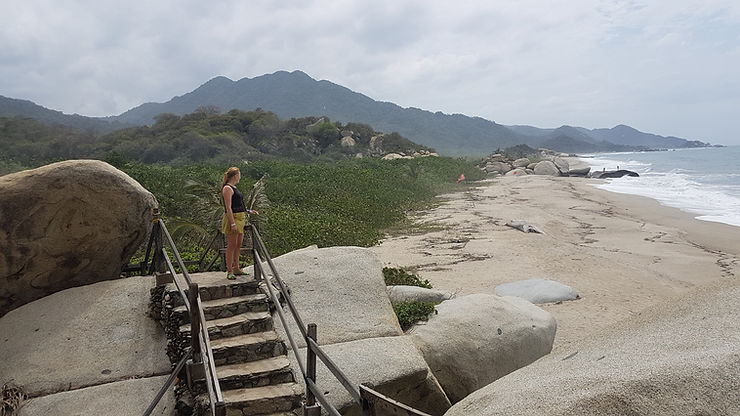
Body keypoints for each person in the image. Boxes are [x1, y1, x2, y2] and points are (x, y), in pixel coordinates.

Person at [221, 167, 258, 280]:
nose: (240, 177)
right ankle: (229, 270)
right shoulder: (227, 188)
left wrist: (248, 211)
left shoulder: (234, 188)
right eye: (239, 174)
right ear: (235, 175)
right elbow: (228, 207)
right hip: (234, 218)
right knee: (231, 245)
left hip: (241, 217)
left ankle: (237, 267)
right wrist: (232, 223)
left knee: (238, 245)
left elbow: (238, 204)